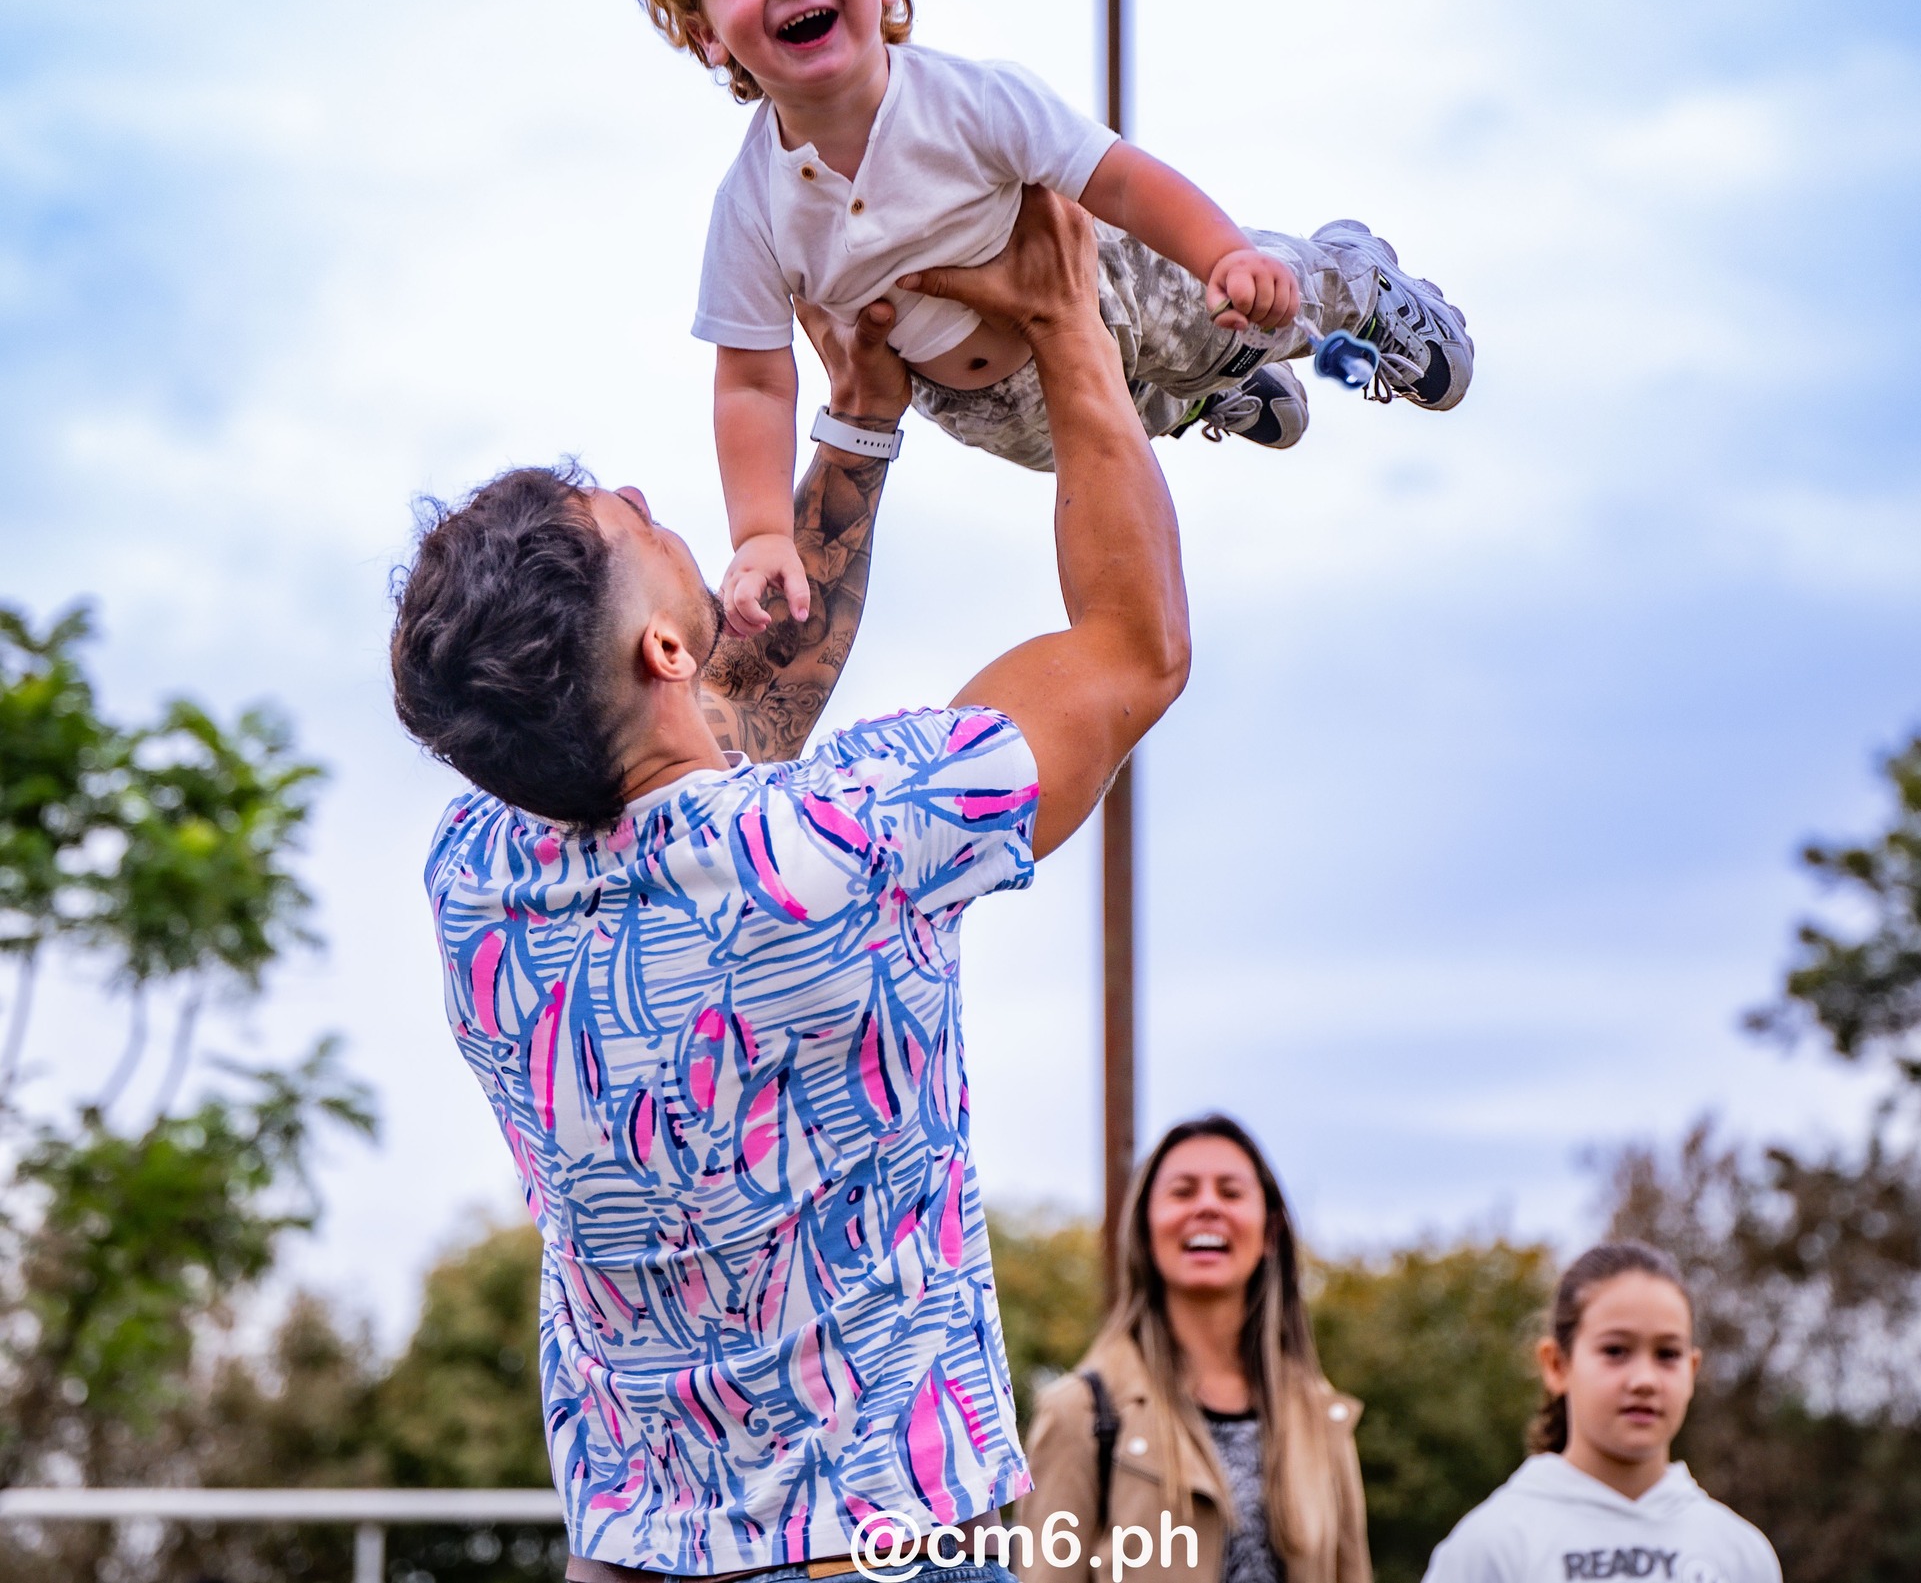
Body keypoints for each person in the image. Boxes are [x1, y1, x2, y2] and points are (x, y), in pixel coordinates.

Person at [388, 188, 1191, 1582]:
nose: (650, 497)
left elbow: (709, 753)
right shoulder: (851, 840)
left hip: (631, 1552)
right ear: (656, 654)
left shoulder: (475, 880)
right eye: (630, 518)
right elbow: (1130, 650)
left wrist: (858, 431)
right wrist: (1070, 331)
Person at [629, 0, 1476, 634]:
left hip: (1114, 283)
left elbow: (1121, 179)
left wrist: (1225, 253)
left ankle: (1355, 287)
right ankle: (1208, 399)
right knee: (1093, 442)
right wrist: (761, 532)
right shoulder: (749, 206)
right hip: (984, 400)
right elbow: (753, 380)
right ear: (709, 37)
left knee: (1230, 321)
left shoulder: (967, 102)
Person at [1015, 1116, 1371, 1583]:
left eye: (1231, 1192)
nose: (1207, 1207)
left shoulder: (1321, 1419)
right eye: (1183, 1192)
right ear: (1144, 1228)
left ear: (1270, 1231)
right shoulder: (1080, 1415)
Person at [1421, 1243, 1781, 1583]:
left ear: (1693, 1369)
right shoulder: (1490, 1546)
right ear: (1557, 1365)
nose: (1644, 1380)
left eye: (1667, 1354)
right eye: (1615, 1350)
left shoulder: (1741, 1555)